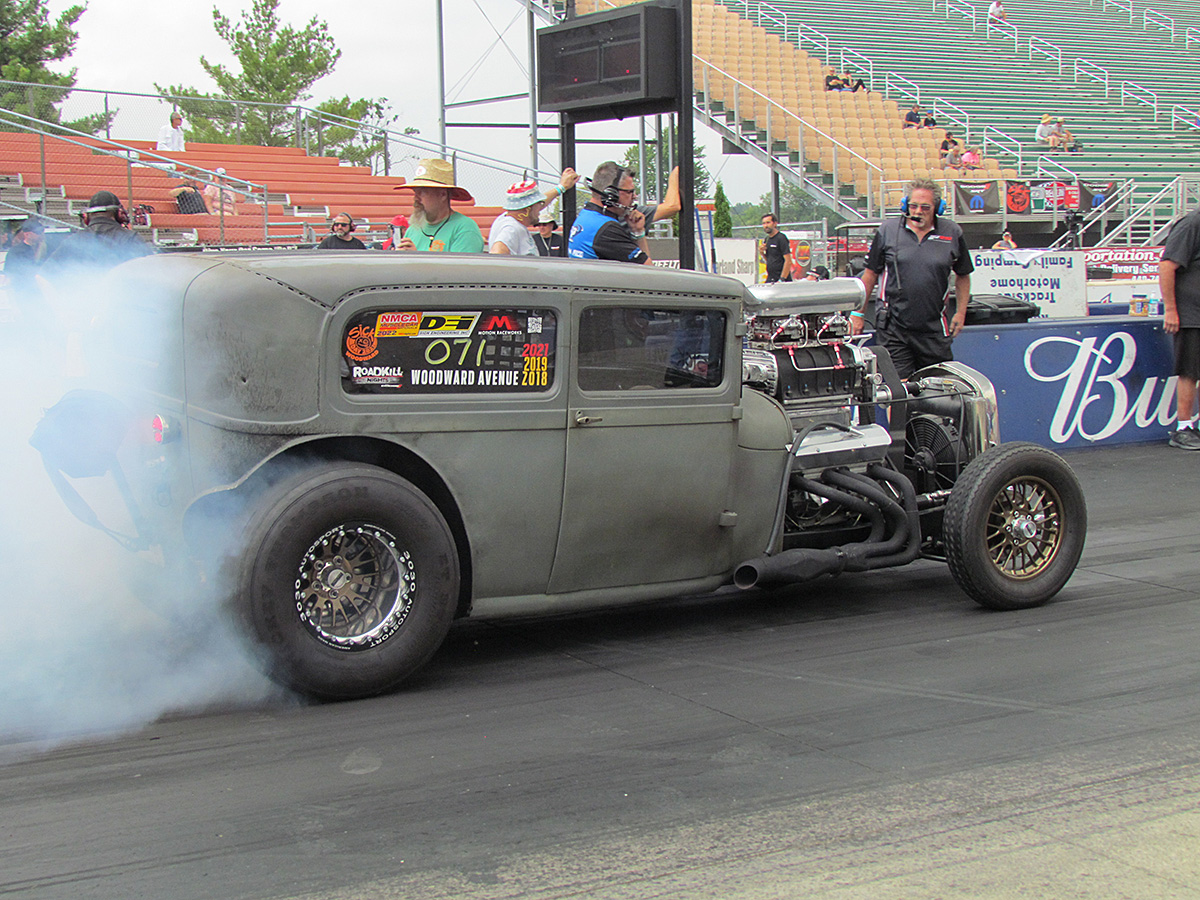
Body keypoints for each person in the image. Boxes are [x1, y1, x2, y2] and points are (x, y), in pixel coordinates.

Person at [849, 178, 974, 379]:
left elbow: (963, 275)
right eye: (913, 205)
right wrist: (858, 314)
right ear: (905, 205)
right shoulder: (888, 231)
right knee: (899, 391)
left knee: (937, 388)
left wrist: (960, 313)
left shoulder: (952, 232)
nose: (918, 211)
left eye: (925, 207)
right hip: (894, 326)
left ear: (937, 208)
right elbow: (870, 274)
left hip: (933, 327)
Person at [1158, 208, 1200, 449]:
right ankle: (1183, 428)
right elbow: (1167, 266)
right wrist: (1171, 310)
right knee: (1189, 371)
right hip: (1191, 313)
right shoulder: (1192, 223)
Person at [44, 190, 153, 278]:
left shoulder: (74, 240)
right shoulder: (131, 238)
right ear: (119, 214)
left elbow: (43, 275)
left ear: (87, 217)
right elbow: (151, 272)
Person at [567, 161, 651, 265]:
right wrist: (640, 234)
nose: (634, 196)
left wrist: (636, 231)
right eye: (629, 192)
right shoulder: (607, 229)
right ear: (611, 194)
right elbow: (650, 272)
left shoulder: (587, 215)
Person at [393, 158, 485, 253]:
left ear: (442, 195)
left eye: (423, 192)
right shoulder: (413, 229)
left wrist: (417, 257)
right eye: (415, 192)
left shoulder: (465, 229)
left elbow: (460, 267)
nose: (416, 198)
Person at [489, 169, 579, 256]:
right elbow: (497, 251)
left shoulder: (506, 219)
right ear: (527, 210)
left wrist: (561, 187)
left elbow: (541, 203)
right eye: (538, 205)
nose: (540, 209)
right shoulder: (511, 229)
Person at [760, 213, 793, 283]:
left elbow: (788, 261)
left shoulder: (781, 238)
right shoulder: (767, 239)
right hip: (771, 278)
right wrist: (762, 253)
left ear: (775, 224)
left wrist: (782, 279)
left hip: (781, 279)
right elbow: (769, 260)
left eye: (768, 222)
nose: (766, 226)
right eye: (764, 223)